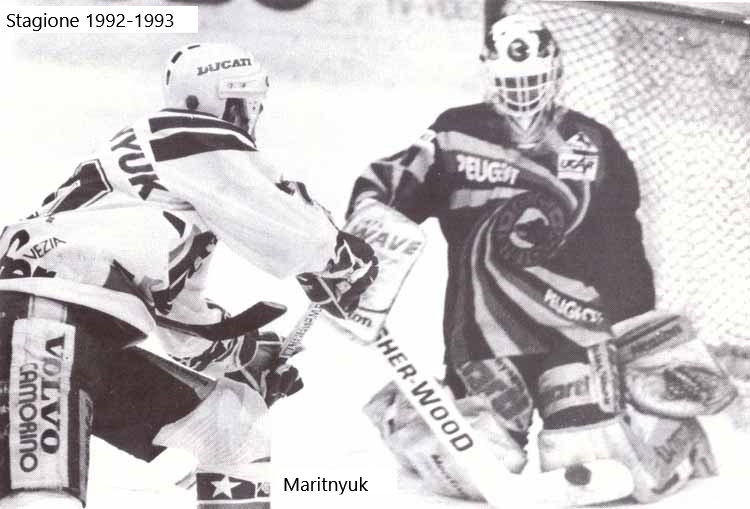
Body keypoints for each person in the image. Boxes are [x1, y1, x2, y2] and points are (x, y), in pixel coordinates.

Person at [353, 15, 735, 505]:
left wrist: (636, 327)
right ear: (489, 75)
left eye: (533, 80)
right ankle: (407, 416)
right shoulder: (453, 135)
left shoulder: (592, 143)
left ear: (555, 73)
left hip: (575, 330)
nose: (523, 94)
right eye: (511, 82)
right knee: (475, 469)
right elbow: (389, 185)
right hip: (483, 335)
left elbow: (623, 244)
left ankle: (668, 437)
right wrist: (359, 238)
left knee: (592, 460)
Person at [0, 42, 377, 508]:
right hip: (39, 330)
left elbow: (177, 313)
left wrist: (242, 356)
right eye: (250, 103)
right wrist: (341, 258)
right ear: (230, 102)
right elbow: (295, 230)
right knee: (41, 501)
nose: (253, 117)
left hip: (79, 338)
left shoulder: (160, 190)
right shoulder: (184, 134)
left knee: (234, 428)